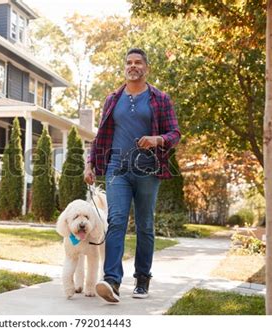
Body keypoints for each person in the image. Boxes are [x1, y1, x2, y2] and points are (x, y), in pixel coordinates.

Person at [84, 48, 181, 303]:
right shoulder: (113, 99)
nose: (133, 66)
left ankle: (142, 278)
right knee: (116, 220)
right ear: (125, 67)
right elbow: (100, 135)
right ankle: (112, 281)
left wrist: (157, 138)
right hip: (117, 168)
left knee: (145, 225)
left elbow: (175, 134)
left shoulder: (160, 99)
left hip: (148, 169)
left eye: (138, 62)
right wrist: (89, 164)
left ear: (146, 68)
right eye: (129, 62)